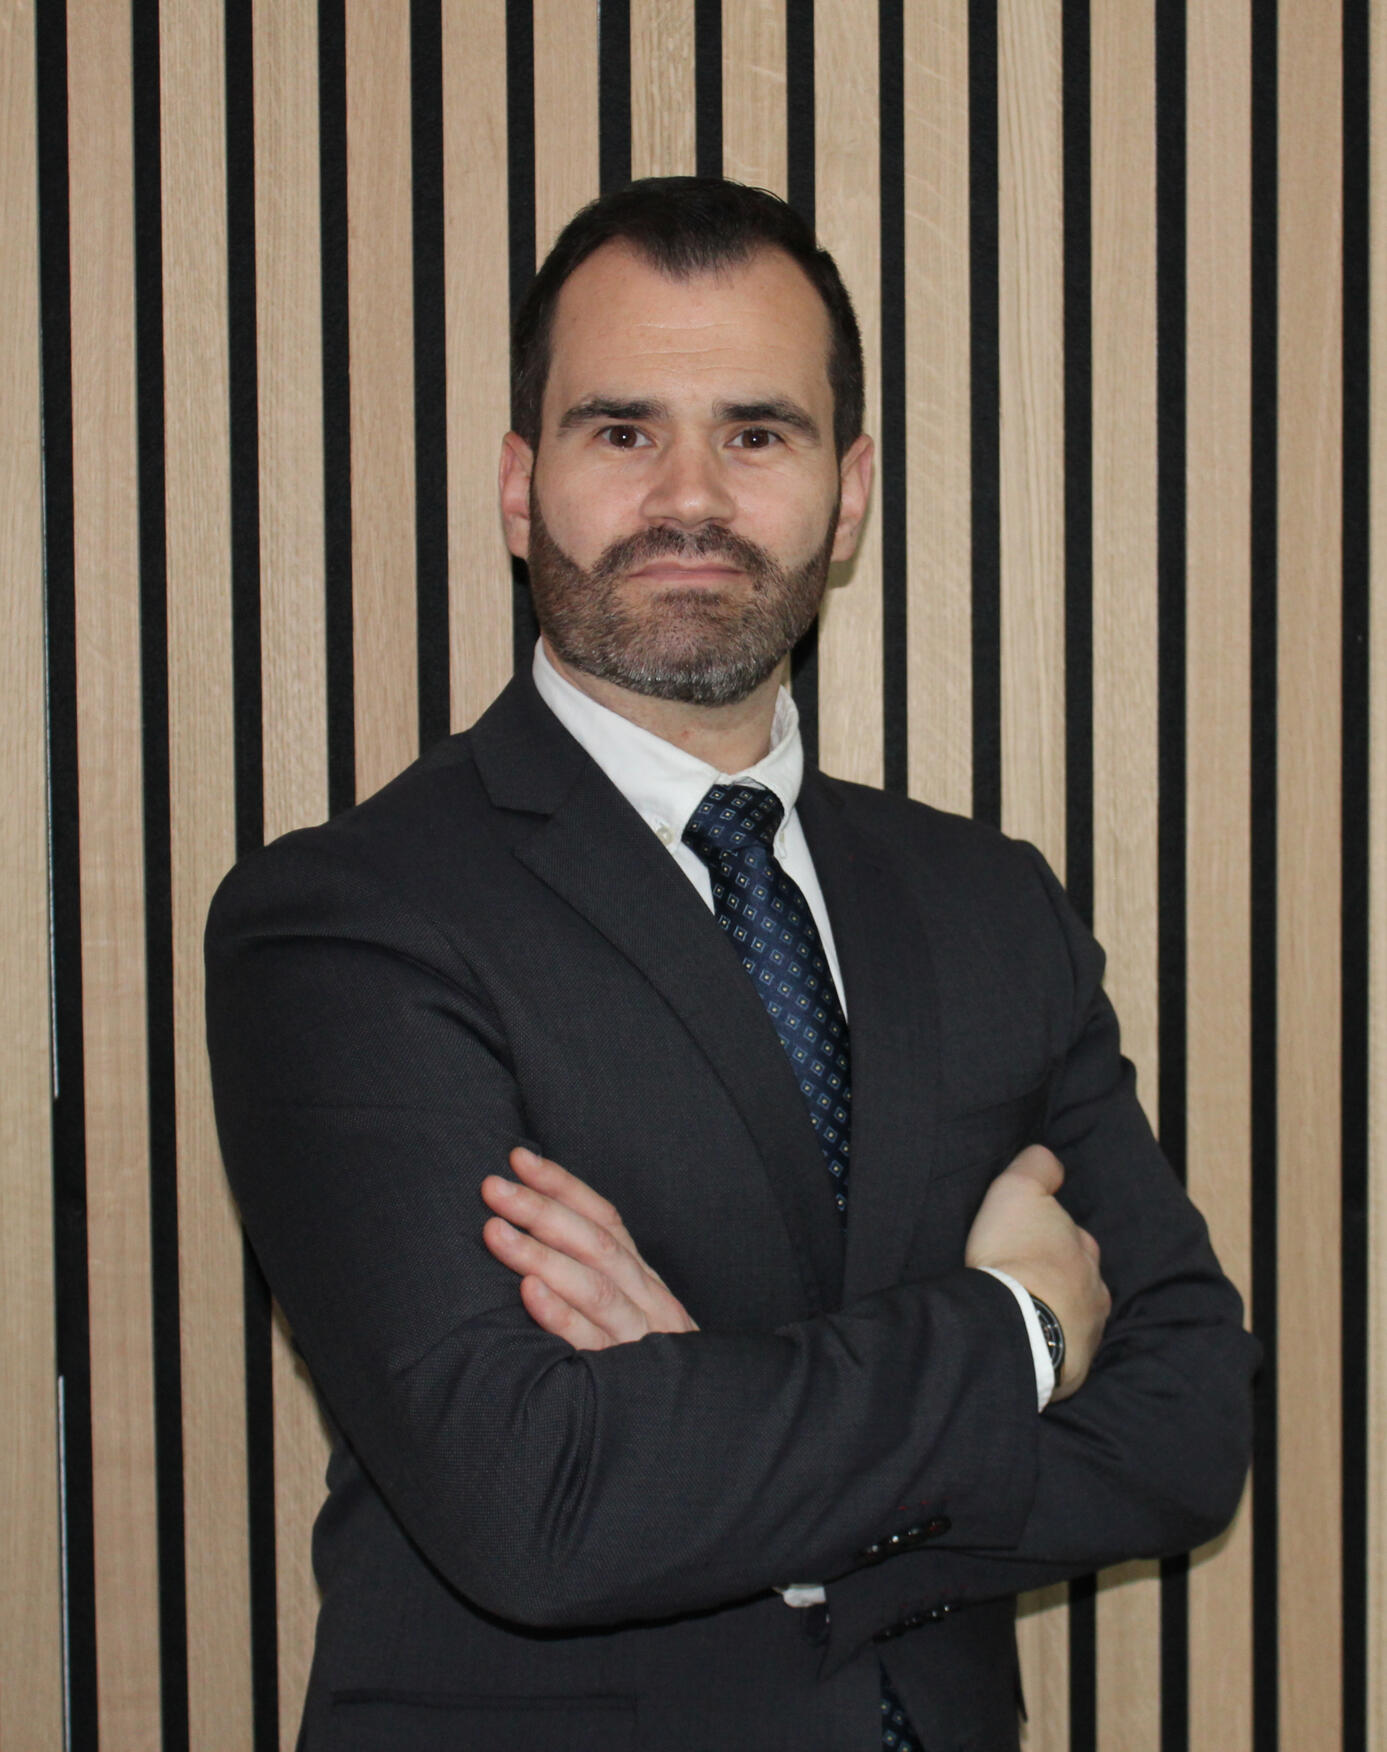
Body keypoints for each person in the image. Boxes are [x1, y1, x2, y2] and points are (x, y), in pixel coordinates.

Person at [206, 177, 1257, 1752]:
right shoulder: (347, 921)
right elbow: (538, 1501)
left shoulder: (989, 904)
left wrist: (715, 1436)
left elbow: (1188, 1427)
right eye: (623, 430)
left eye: (757, 433)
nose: (688, 497)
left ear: (849, 492)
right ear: (520, 485)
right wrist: (1014, 1333)